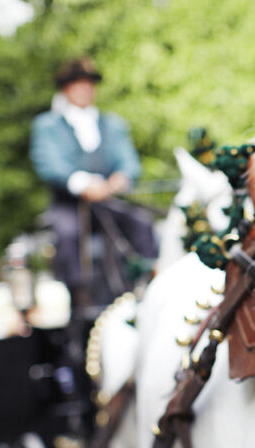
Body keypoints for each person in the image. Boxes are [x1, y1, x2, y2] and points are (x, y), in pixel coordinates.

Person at [29, 56, 158, 304]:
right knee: (67, 234)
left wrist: (121, 178)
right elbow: (49, 163)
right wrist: (83, 184)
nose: (85, 90)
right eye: (78, 84)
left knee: (142, 223)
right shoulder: (47, 126)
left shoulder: (112, 124)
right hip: (70, 204)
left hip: (108, 201)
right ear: (66, 89)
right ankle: (80, 297)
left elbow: (128, 160)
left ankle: (147, 283)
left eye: (89, 84)